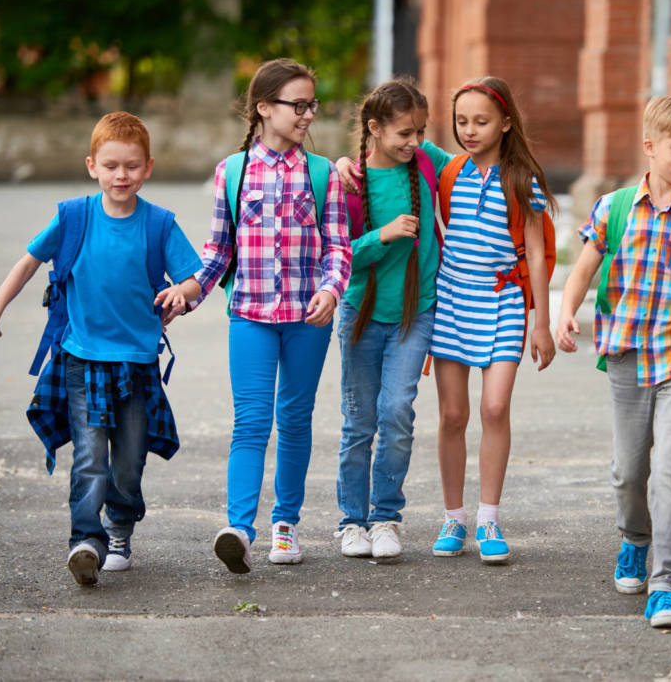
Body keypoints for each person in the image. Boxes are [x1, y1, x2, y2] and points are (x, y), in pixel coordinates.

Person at [0, 111, 201, 586]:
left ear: (148, 167)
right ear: (92, 165)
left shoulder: (159, 224)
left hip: (136, 365)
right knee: (90, 459)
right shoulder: (74, 216)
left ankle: (119, 530)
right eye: (111, 165)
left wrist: (184, 292)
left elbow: (195, 277)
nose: (121, 175)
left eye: (132, 166)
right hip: (81, 360)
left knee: (128, 464)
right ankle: (86, 542)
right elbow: (27, 264)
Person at [555, 96, 671, 628]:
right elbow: (584, 267)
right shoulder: (611, 209)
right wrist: (566, 312)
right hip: (628, 353)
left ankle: (666, 583)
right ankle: (634, 538)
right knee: (629, 471)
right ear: (650, 147)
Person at [168, 58, 350, 574]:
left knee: (294, 420)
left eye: (312, 104)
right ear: (264, 108)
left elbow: (338, 246)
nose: (308, 114)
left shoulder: (321, 174)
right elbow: (217, 251)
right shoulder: (233, 171)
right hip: (249, 314)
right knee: (250, 422)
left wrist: (332, 291)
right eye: (298, 104)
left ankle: (285, 525)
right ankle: (240, 532)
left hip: (307, 319)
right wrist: (187, 291)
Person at [428, 76, 556, 565]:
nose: (470, 130)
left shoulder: (523, 178)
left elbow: (540, 254)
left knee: (495, 408)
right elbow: (400, 156)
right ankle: (453, 516)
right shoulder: (450, 170)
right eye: (462, 121)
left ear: (505, 123)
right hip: (452, 298)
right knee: (453, 415)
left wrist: (541, 321)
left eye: (481, 121)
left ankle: (488, 518)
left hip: (503, 301)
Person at [332, 78, 454, 560]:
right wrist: (381, 235)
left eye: (421, 131)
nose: (415, 142)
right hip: (361, 315)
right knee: (360, 421)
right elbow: (338, 257)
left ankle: (386, 517)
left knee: (397, 412)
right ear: (374, 128)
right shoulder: (350, 182)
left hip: (415, 312)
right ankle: (351, 522)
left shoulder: (426, 163)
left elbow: (475, 163)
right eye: (405, 133)